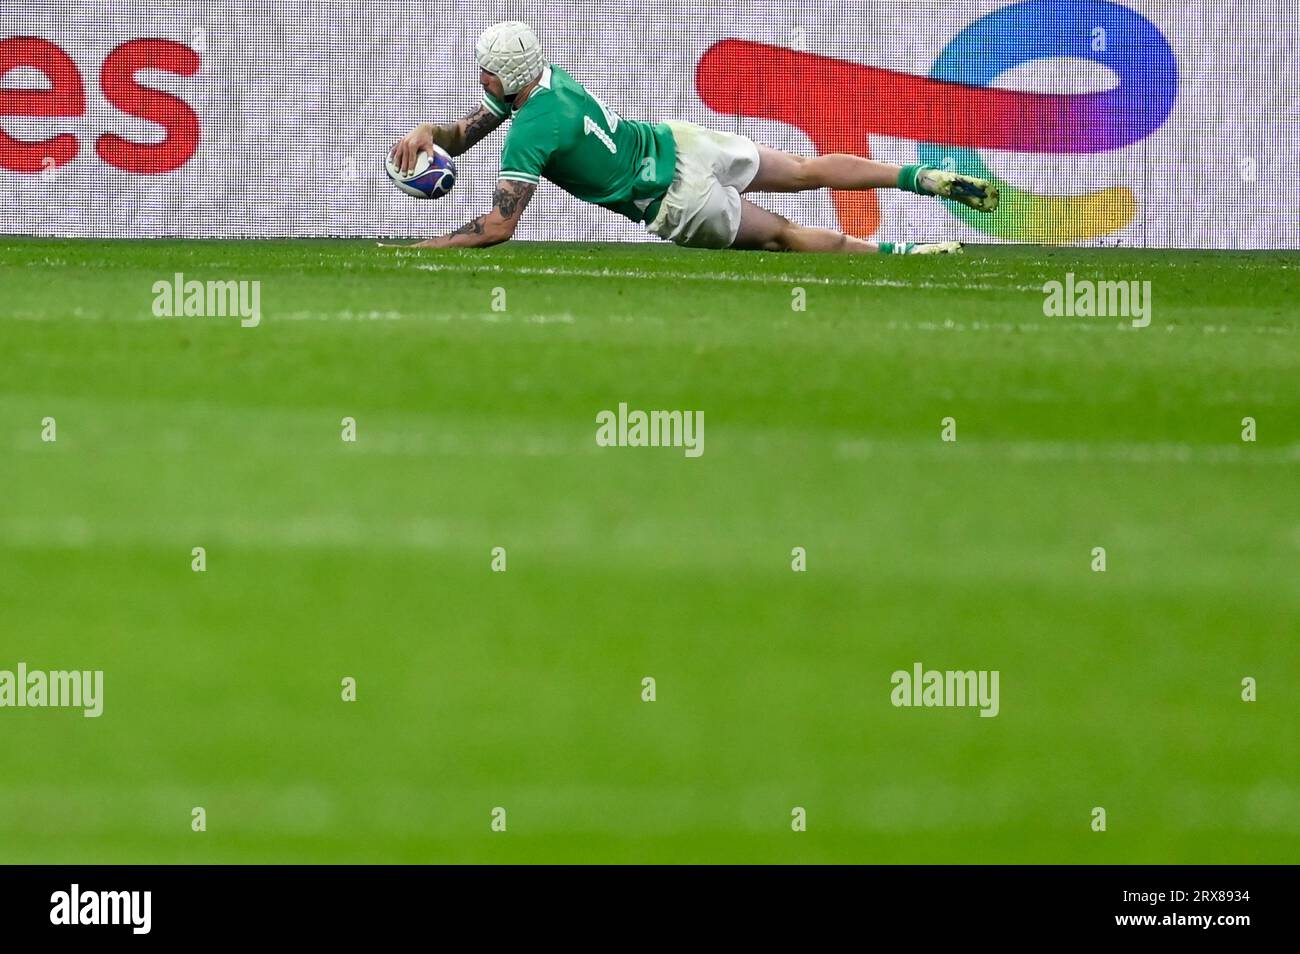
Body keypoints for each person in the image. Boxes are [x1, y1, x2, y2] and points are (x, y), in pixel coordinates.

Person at [390, 21, 998, 254]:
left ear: (507, 75)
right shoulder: (548, 81)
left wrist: (422, 250)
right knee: (807, 169)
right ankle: (920, 178)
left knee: (783, 236)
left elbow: (497, 227)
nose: (480, 75)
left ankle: (904, 256)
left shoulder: (528, 132)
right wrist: (430, 131)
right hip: (681, 144)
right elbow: (469, 127)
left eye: (485, 67)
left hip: (673, 201)